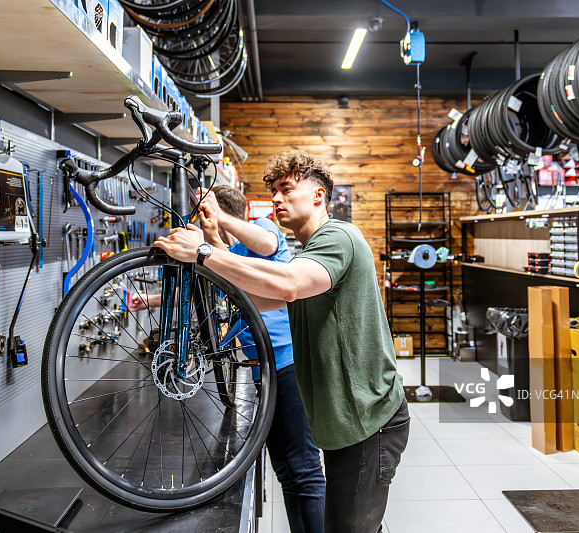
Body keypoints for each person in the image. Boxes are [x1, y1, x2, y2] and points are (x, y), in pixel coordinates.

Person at [154, 151, 409, 533]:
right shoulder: (309, 253)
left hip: (369, 423)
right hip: (347, 424)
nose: (276, 198)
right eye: (274, 190)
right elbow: (262, 298)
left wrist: (205, 253)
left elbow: (287, 286)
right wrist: (201, 269)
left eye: (287, 189)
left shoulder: (338, 236)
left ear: (319, 195)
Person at [131, 185, 326, 533]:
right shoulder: (230, 252)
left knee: (304, 470)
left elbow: (267, 244)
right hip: (265, 369)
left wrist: (219, 218)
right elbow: (222, 281)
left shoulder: (262, 229)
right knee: (288, 471)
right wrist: (151, 298)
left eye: (208, 216)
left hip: (288, 363)